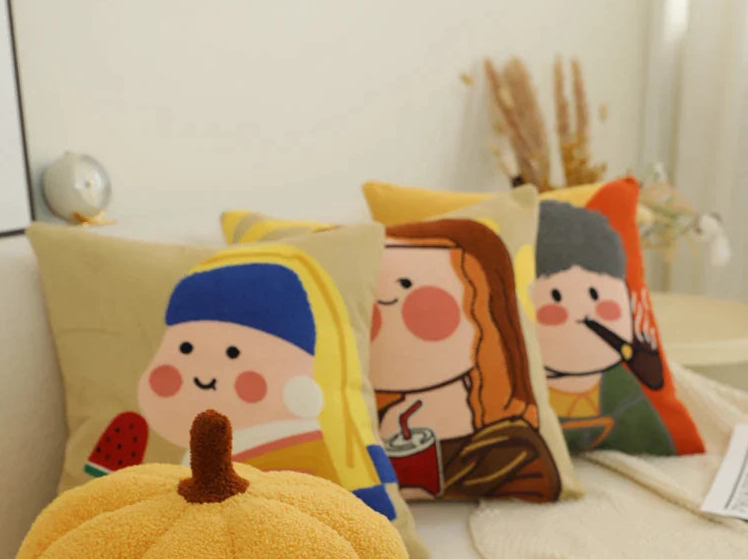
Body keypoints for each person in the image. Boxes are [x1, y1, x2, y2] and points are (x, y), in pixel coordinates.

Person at [94, 251, 397, 520]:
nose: (204, 376)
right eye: (185, 349)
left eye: (233, 354)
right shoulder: (201, 462)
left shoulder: (300, 458)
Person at [372, 219, 560, 501]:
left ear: (483, 318)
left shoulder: (512, 450)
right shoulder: (357, 437)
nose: (386, 307)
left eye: (408, 286)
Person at [533, 200, 674, 453]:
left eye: (595, 295)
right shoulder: (524, 394)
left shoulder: (623, 388)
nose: (581, 314)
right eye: (556, 298)